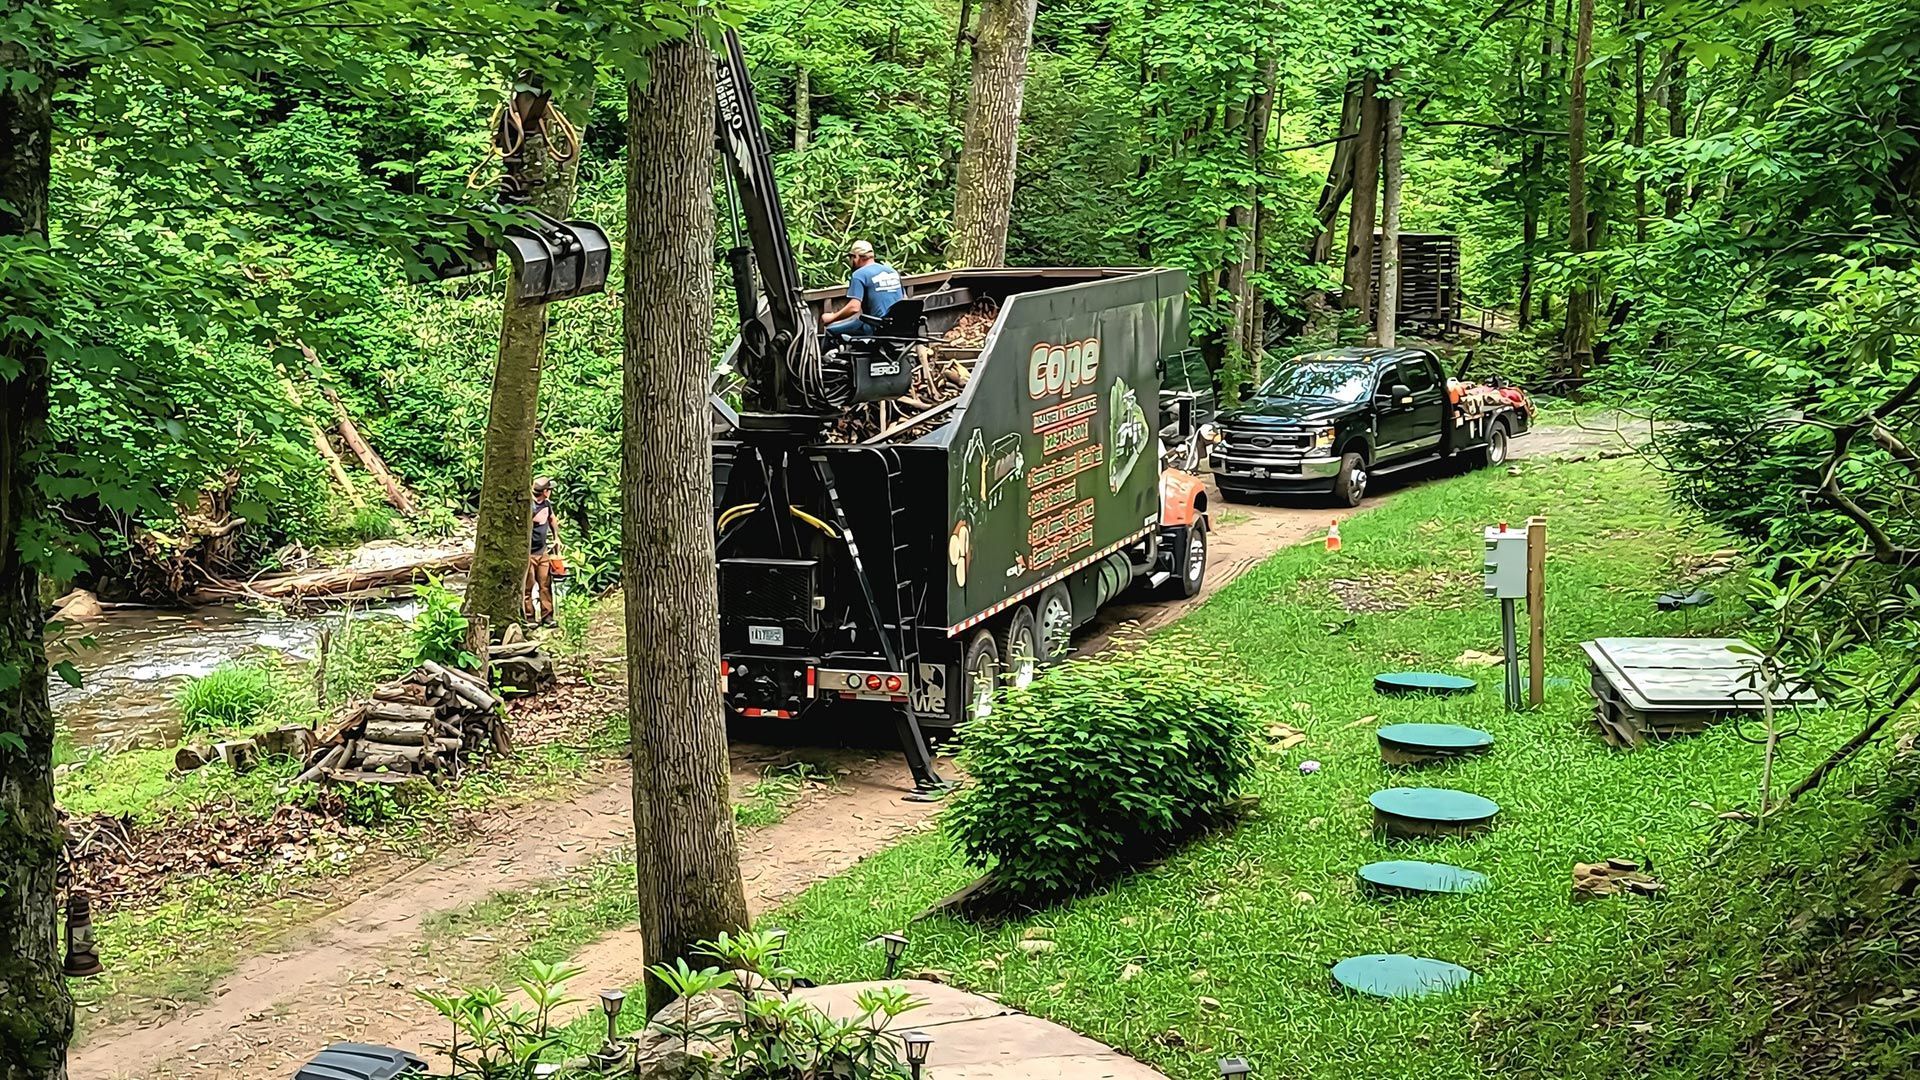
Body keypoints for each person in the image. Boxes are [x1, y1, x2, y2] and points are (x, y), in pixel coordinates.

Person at [822, 239, 904, 345]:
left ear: (856, 257)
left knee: (831, 330)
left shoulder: (859, 275)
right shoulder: (892, 272)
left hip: (876, 327)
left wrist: (831, 317)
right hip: (899, 326)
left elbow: (854, 307)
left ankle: (822, 361)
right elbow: (903, 298)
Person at [525, 476, 562, 625]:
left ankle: (547, 616)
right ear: (545, 491)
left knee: (545, 584)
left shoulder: (547, 504)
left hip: (543, 551)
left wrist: (556, 537)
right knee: (528, 586)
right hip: (529, 553)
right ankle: (529, 617)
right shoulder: (529, 506)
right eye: (549, 490)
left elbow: (552, 519)